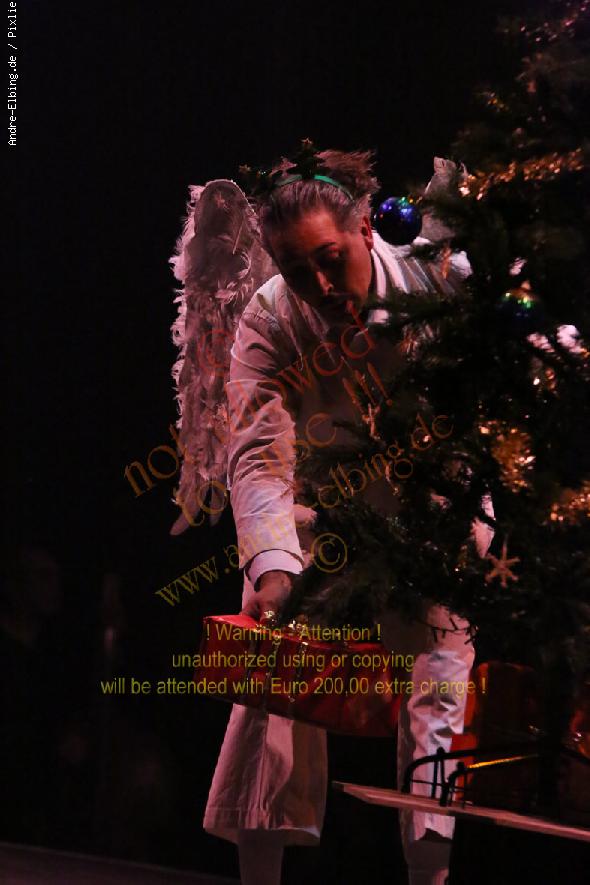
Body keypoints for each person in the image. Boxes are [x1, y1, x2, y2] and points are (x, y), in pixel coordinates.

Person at [201, 146, 494, 885]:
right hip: (320, 506)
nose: (321, 286)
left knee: (440, 688)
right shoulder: (271, 316)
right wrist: (273, 567)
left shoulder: (439, 277)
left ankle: (430, 877)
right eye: (298, 270)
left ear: (366, 227)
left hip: (433, 503)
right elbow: (259, 452)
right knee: (273, 680)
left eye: (331, 260)